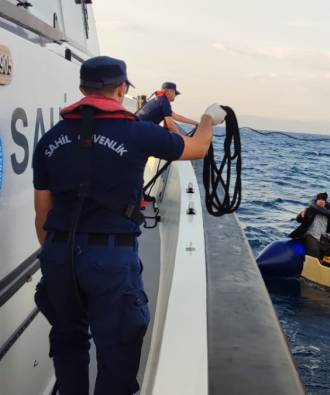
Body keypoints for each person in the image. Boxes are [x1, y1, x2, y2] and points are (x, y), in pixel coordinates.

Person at [31, 56, 226, 395]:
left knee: (68, 339)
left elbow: (41, 214)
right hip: (110, 259)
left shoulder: (50, 139)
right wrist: (209, 117)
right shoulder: (138, 133)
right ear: (121, 89)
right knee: (118, 348)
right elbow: (199, 147)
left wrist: (57, 255)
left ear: (81, 89)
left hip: (59, 254)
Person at [289, 192, 330, 258]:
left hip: (323, 237)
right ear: (316, 201)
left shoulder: (329, 214)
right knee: (314, 251)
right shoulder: (309, 210)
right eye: (320, 199)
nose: (321, 201)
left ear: (325, 203)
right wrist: (301, 215)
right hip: (311, 235)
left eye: (323, 200)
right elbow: (298, 219)